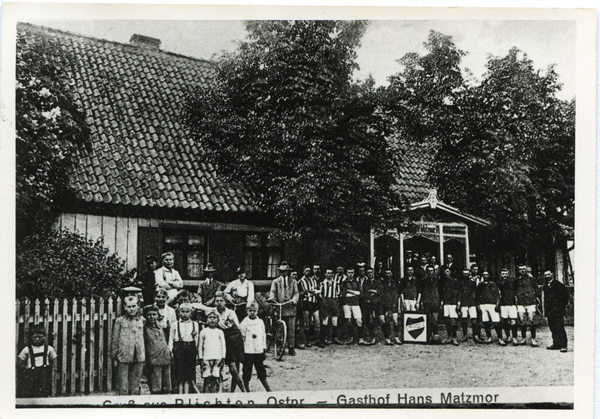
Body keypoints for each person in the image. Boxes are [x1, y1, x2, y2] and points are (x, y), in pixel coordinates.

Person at [110, 295, 145, 395]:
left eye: (134, 306)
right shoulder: (119, 321)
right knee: (123, 383)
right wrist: (114, 356)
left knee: (135, 382)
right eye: (129, 306)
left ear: (138, 306)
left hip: (139, 355)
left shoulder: (142, 320)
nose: (131, 309)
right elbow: (115, 339)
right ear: (124, 307)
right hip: (124, 355)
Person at [214, 292, 246, 393]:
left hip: (233, 341)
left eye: (221, 301)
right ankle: (243, 390)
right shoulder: (212, 312)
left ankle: (233, 391)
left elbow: (237, 327)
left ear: (225, 302)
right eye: (217, 301)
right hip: (220, 343)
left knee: (235, 369)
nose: (219, 303)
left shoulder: (230, 313)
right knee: (229, 368)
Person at [17, 325, 57, 398]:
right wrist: (25, 370)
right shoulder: (27, 349)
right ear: (31, 337)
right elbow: (20, 361)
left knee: (44, 390)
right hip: (31, 374)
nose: (37, 339)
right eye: (35, 337)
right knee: (31, 391)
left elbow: (54, 360)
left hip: (44, 373)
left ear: (45, 337)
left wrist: (50, 368)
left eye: (40, 337)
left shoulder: (49, 348)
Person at [268, 262, 300, 355]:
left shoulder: (293, 281)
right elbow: (273, 291)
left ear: (288, 272)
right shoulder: (275, 281)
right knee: (279, 328)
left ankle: (291, 347)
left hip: (290, 306)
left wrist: (294, 299)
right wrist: (272, 298)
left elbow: (296, 292)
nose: (283, 273)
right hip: (280, 307)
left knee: (291, 328)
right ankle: (279, 347)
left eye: (285, 271)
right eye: (282, 271)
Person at [239, 302, 272, 392]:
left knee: (261, 370)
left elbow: (263, 336)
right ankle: (247, 389)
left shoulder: (260, 322)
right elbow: (241, 336)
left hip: (258, 350)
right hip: (248, 351)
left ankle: (268, 389)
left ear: (257, 311)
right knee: (247, 371)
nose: (252, 312)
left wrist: (264, 349)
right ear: (247, 311)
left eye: (254, 310)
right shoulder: (244, 322)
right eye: (250, 310)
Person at [169, 303, 200, 393]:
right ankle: (179, 392)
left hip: (190, 349)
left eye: (187, 311)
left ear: (191, 313)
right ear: (179, 312)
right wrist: (170, 350)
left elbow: (197, 339)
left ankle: (186, 393)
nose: (185, 314)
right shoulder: (175, 324)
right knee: (179, 373)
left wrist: (197, 353)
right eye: (182, 311)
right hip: (179, 349)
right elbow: (171, 338)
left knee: (189, 373)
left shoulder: (195, 324)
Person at [143, 305, 172, 394]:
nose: (152, 317)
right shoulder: (144, 328)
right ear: (145, 316)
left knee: (166, 385)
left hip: (165, 357)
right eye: (149, 315)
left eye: (154, 314)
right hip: (153, 359)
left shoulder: (160, 327)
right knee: (156, 386)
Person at [199, 310, 226, 393]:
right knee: (207, 379)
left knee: (214, 378)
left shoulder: (220, 332)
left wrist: (223, 357)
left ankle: (213, 397)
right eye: (210, 317)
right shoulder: (203, 331)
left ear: (218, 320)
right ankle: (206, 397)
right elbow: (200, 346)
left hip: (217, 358)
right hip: (206, 358)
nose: (212, 319)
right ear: (207, 320)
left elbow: (223, 345)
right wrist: (201, 358)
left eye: (214, 317)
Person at [544, 270, 569, 352]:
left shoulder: (559, 285)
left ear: (552, 274)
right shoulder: (546, 286)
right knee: (552, 327)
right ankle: (556, 343)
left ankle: (563, 345)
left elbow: (565, 297)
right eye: (545, 275)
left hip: (557, 310)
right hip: (550, 311)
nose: (547, 276)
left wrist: (561, 308)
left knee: (559, 327)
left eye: (549, 274)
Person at [297, 265, 322, 348]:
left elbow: (317, 290)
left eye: (309, 270)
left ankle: (317, 340)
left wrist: (313, 292)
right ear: (303, 271)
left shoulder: (313, 280)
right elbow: (304, 291)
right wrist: (313, 292)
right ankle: (307, 341)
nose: (308, 272)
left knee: (317, 322)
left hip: (314, 302)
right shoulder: (301, 281)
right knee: (306, 323)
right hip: (306, 303)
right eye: (306, 270)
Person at [515, 264, 539, 347]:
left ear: (526, 270)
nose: (522, 271)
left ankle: (533, 339)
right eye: (520, 269)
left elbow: (536, 289)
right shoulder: (517, 280)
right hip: (521, 302)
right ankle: (523, 338)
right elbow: (515, 290)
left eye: (524, 269)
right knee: (522, 321)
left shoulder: (532, 279)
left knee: (531, 320)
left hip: (530, 302)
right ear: (518, 271)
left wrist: (533, 297)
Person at [340, 268, 365, 345]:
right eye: (349, 272)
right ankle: (350, 338)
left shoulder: (357, 282)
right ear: (346, 273)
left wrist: (349, 291)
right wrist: (354, 293)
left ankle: (360, 338)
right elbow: (343, 294)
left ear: (354, 273)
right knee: (348, 320)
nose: (350, 274)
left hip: (356, 303)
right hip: (347, 304)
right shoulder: (344, 282)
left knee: (359, 320)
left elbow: (360, 293)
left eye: (352, 272)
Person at [476, 271, 503, 344]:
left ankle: (500, 338)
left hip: (492, 304)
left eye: (487, 275)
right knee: (486, 322)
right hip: (483, 305)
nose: (485, 276)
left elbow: (497, 294)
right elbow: (477, 296)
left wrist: (497, 303)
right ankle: (489, 337)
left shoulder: (493, 284)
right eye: (484, 275)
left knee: (496, 321)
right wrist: (478, 304)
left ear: (489, 275)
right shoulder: (480, 285)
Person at [319, 268, 343, 345]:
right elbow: (320, 294)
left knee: (334, 320)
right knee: (325, 320)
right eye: (328, 273)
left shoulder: (336, 283)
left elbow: (338, 293)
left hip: (334, 302)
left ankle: (334, 338)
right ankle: (324, 339)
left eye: (331, 273)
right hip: (326, 302)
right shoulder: (322, 283)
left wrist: (335, 301)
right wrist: (324, 302)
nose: (330, 274)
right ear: (325, 274)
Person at [379, 269, 402, 345]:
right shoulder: (382, 283)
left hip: (393, 304)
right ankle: (387, 338)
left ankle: (396, 337)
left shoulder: (395, 283)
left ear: (391, 274)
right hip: (384, 305)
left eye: (389, 273)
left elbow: (398, 294)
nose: (387, 275)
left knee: (395, 321)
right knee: (385, 321)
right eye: (386, 273)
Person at [360, 267, 380, 345]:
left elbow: (379, 291)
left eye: (371, 272)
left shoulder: (377, 281)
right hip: (369, 303)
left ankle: (378, 337)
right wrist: (373, 291)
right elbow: (365, 292)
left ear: (373, 273)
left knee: (378, 319)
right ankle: (372, 337)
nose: (370, 274)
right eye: (368, 273)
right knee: (369, 320)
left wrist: (373, 291)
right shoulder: (365, 282)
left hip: (377, 303)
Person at [498, 268, 519, 345]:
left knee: (513, 321)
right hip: (503, 304)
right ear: (501, 274)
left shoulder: (512, 281)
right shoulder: (499, 283)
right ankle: (508, 336)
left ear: (508, 274)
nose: (504, 275)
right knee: (505, 321)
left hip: (512, 304)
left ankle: (514, 338)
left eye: (506, 274)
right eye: (503, 274)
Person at [421, 265, 441, 343]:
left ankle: (435, 335)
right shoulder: (423, 281)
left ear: (434, 271)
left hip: (435, 303)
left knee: (435, 320)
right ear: (426, 271)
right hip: (427, 303)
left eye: (431, 270)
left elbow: (440, 292)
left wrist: (440, 301)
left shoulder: (438, 281)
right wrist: (422, 302)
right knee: (428, 320)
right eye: (428, 271)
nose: (430, 272)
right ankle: (428, 336)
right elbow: (422, 292)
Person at [440, 267, 460, 345]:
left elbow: (458, 292)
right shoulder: (442, 282)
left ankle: (454, 337)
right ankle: (449, 336)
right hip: (446, 303)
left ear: (450, 272)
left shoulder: (455, 281)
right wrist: (442, 303)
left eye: (448, 271)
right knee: (447, 321)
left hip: (453, 303)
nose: (446, 273)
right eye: (445, 272)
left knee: (453, 321)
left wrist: (458, 302)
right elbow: (442, 293)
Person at [458, 268, 480, 342]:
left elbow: (475, 293)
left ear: (469, 274)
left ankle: (475, 335)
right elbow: (459, 294)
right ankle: (465, 335)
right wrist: (459, 303)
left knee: (474, 320)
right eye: (464, 273)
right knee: (464, 320)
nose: (465, 275)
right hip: (464, 303)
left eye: (467, 273)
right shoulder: (460, 283)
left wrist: (476, 303)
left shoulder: (472, 282)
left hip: (472, 303)